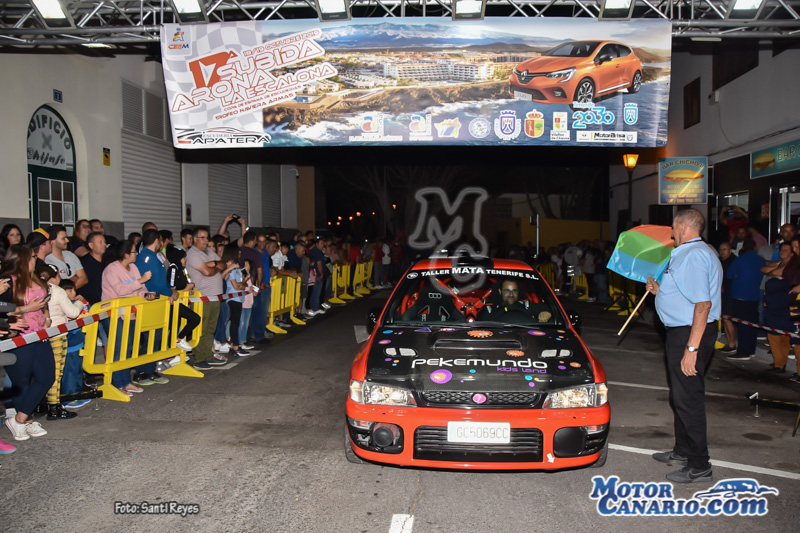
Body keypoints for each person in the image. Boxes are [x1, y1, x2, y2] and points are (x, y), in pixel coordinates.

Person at [646, 208, 721, 484]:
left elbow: (703, 304)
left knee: (688, 399)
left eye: (673, 227)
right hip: (682, 332)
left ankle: (700, 465)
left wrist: (691, 349)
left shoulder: (695, 255)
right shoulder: (693, 252)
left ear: (682, 226)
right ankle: (683, 450)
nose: (671, 232)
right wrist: (660, 291)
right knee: (679, 396)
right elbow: (688, 293)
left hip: (690, 334)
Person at [0, 245, 54, 442]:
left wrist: (46, 318)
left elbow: (43, 303)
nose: (35, 259)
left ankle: (19, 419)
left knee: (46, 377)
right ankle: (27, 420)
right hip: (18, 337)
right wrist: (24, 310)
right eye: (32, 256)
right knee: (21, 381)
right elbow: (2, 308)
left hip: (39, 333)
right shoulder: (7, 281)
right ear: (22, 259)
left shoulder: (36, 277)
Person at [101, 239, 153, 396]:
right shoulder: (112, 269)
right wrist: (141, 280)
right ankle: (117, 384)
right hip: (114, 314)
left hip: (130, 313)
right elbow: (121, 290)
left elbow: (140, 289)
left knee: (128, 347)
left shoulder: (134, 267)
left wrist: (147, 295)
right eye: (134, 251)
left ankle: (126, 381)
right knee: (118, 348)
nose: (136, 254)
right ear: (125, 254)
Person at [36, 264, 82, 420]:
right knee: (56, 372)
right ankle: (54, 407)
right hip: (57, 334)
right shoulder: (56, 290)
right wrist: (79, 303)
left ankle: (41, 403)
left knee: (41, 371)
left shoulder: (33, 288)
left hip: (39, 336)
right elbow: (73, 313)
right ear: (54, 277)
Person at [185, 228, 228, 370]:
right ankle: (199, 358)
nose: (206, 240)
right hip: (202, 297)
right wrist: (215, 265)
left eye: (207, 237)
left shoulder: (209, 252)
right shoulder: (193, 254)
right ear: (195, 239)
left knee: (210, 328)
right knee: (201, 329)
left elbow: (223, 264)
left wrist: (213, 264)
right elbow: (206, 272)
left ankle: (208, 355)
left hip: (214, 296)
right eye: (202, 237)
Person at [760, 242, 800, 374]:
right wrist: (774, 273)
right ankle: (780, 363)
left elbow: (776, 272)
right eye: (781, 249)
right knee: (775, 336)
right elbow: (764, 269)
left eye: (786, 250)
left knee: (782, 336)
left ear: (792, 253)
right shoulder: (780, 262)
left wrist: (774, 273)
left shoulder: (793, 266)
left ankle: (780, 364)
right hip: (773, 306)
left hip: (785, 306)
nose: (782, 252)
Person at [725, 239, 765, 360]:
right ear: (755, 247)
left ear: (743, 248)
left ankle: (743, 352)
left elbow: (729, 274)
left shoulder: (740, 259)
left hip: (740, 295)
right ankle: (751, 350)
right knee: (752, 324)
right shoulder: (760, 260)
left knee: (743, 325)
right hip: (754, 295)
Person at [476, 279, 552, 324]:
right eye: (507, 291)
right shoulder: (489, 310)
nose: (511, 294)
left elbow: (548, 308)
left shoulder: (526, 306)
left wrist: (546, 312)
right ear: (500, 291)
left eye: (514, 291)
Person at [220, 243, 248, 357]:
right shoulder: (231, 268)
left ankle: (234, 345)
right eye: (238, 252)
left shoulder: (236, 267)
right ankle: (235, 346)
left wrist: (243, 283)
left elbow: (242, 285)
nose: (240, 254)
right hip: (233, 298)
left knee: (235, 322)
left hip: (238, 298)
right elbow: (236, 286)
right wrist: (243, 283)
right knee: (235, 323)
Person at [45, 225, 88, 289]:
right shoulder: (47, 260)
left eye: (66, 238)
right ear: (52, 241)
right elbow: (56, 285)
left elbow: (84, 279)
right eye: (63, 238)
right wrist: (74, 279)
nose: (67, 240)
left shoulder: (70, 255)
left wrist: (69, 290)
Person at [717, 242, 737, 355]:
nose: (722, 252)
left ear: (730, 250)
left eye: (724, 249)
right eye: (720, 249)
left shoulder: (734, 261)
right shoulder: (719, 261)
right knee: (725, 319)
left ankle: (732, 344)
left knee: (728, 319)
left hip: (730, 294)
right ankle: (729, 343)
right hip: (721, 295)